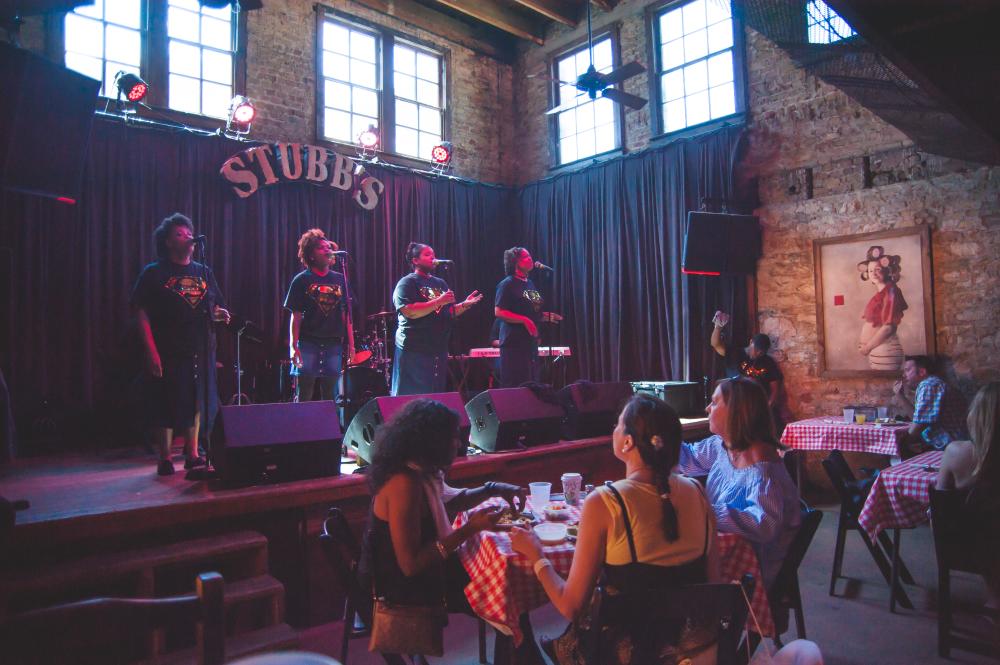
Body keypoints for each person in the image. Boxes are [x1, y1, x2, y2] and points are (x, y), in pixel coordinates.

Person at [511, 393, 720, 665]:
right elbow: (715, 586)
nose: (614, 431)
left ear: (628, 442)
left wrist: (537, 555)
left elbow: (571, 606)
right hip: (693, 649)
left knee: (533, 635)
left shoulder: (605, 501)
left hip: (631, 654)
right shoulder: (698, 492)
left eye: (618, 425)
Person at [359, 399, 524, 657]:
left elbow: (453, 499)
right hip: (406, 590)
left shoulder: (421, 472)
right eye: (452, 438)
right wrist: (470, 529)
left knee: (508, 588)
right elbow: (410, 565)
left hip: (426, 575)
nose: (458, 444)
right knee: (507, 592)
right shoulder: (404, 485)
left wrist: (494, 488)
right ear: (431, 441)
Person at [677, 376, 801, 588]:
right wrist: (660, 438)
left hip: (751, 573)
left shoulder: (763, 474)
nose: (707, 408)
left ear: (737, 412)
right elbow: (689, 460)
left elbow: (764, 525)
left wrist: (702, 510)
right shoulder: (723, 447)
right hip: (723, 552)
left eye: (715, 402)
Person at [131, 213, 230, 476]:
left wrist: (218, 314)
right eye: (179, 234)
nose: (187, 237)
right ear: (167, 242)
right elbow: (140, 312)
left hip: (199, 348)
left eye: (189, 233)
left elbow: (214, 304)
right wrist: (151, 350)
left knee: (198, 400)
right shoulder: (154, 273)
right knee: (164, 401)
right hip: (168, 348)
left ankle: (193, 453)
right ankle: (164, 457)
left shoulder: (203, 271)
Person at [391, 243, 482, 396]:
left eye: (433, 254)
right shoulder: (407, 282)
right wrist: (439, 301)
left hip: (437, 348)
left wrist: (465, 305)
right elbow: (409, 311)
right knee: (410, 396)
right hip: (414, 348)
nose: (432, 257)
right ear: (415, 261)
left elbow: (448, 311)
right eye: (427, 255)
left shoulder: (440, 283)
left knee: (433, 395)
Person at [285, 229, 356, 402]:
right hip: (308, 342)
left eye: (327, 247)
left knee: (330, 394)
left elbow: (347, 315)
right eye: (320, 248)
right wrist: (294, 346)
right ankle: (302, 427)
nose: (326, 250)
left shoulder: (340, 279)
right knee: (306, 391)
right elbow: (296, 315)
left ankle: (329, 428)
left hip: (333, 343)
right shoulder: (302, 280)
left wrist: (352, 345)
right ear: (310, 255)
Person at [495, 247, 561, 388]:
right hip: (513, 343)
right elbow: (499, 312)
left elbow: (531, 312)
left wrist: (545, 316)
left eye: (530, 256)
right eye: (526, 257)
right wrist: (525, 320)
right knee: (516, 385)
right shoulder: (507, 284)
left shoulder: (529, 283)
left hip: (529, 343)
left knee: (531, 384)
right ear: (515, 262)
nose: (530, 259)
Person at [710, 311, 786, 430]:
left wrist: (768, 408)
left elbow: (775, 389)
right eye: (756, 350)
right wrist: (718, 327)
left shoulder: (768, 362)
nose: (758, 354)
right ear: (751, 342)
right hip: (736, 406)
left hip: (759, 408)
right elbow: (716, 344)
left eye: (761, 352)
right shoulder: (734, 353)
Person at [897, 355, 969, 458]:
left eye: (907, 370)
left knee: (896, 455)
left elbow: (920, 424)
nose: (904, 375)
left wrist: (902, 445)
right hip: (944, 445)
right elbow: (918, 419)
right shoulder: (931, 384)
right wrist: (900, 395)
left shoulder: (930, 385)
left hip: (948, 447)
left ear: (922, 372)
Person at [856, 246, 907, 371]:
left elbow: (888, 327)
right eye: (870, 270)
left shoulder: (891, 291)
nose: (873, 273)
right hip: (879, 350)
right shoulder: (882, 292)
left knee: (886, 387)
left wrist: (867, 348)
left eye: (877, 269)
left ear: (887, 271)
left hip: (886, 350)